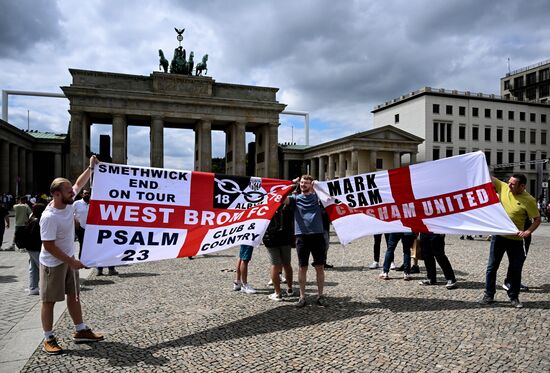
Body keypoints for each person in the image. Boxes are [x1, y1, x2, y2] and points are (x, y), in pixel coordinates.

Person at [39, 155, 104, 355]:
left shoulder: (66, 201)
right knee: (49, 301)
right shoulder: (49, 217)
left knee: (74, 296)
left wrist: (90, 168)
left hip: (68, 260)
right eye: (69, 192)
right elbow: (48, 245)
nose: (73, 193)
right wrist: (71, 261)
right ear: (56, 194)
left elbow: (78, 183)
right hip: (53, 263)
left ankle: (80, 330)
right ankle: (48, 337)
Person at [480, 174, 540, 309]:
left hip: (516, 240)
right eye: (509, 182)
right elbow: (490, 177)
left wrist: (528, 232)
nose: (509, 185)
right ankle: (488, 295)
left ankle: (514, 296)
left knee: (515, 269)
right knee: (491, 267)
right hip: (499, 237)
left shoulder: (529, 200)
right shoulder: (504, 187)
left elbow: (537, 219)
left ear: (522, 186)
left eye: (513, 184)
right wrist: (479, 159)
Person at [285, 175, 328, 308]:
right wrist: (291, 185)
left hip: (318, 235)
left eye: (306, 183)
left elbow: (332, 195)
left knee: (319, 267)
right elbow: (281, 199)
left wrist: (319, 186)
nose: (303, 185)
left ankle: (320, 296)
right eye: (302, 182)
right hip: (302, 236)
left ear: (311, 185)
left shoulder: (318, 198)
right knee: (302, 267)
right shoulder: (295, 199)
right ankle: (302, 297)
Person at [74, 189, 118, 276]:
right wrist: (75, 222)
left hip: (95, 229)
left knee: (101, 247)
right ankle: (84, 263)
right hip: (81, 229)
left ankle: (107, 268)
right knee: (83, 246)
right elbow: (71, 213)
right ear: (82, 194)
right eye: (85, 193)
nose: (87, 195)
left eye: (88, 193)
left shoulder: (95, 202)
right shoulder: (77, 203)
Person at [263, 204, 294, 301]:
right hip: (285, 238)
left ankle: (278, 293)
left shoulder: (267, 205)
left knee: (275, 265)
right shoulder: (287, 206)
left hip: (271, 239)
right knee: (287, 264)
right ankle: (289, 289)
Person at [26, 203, 46, 295]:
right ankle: (45, 287)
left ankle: (33, 287)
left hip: (30, 248)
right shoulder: (40, 221)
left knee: (33, 268)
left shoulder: (32, 220)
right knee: (43, 268)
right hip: (37, 248)